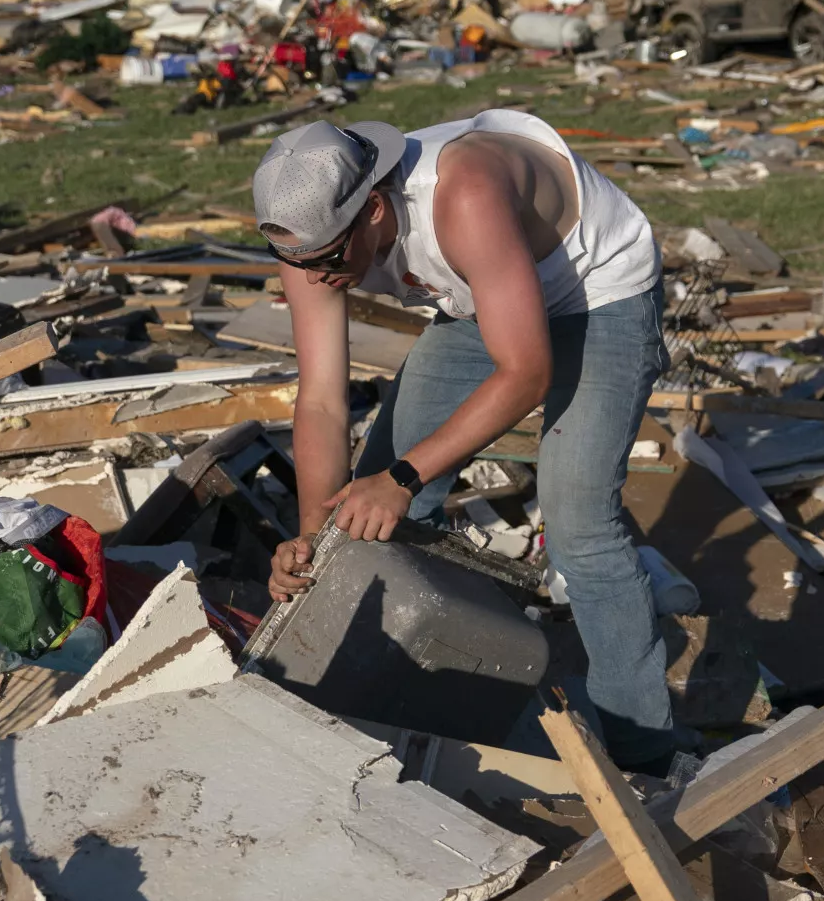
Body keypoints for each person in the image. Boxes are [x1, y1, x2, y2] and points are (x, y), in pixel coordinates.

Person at [251, 113, 680, 765]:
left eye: (328, 262)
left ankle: (648, 759)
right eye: (298, 264)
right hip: (483, 297)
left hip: (600, 295)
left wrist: (401, 478)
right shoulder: (313, 237)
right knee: (365, 519)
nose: (315, 280)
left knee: (580, 528)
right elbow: (320, 398)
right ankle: (431, 704)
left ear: (370, 209)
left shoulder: (464, 191)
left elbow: (526, 372)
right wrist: (316, 540)